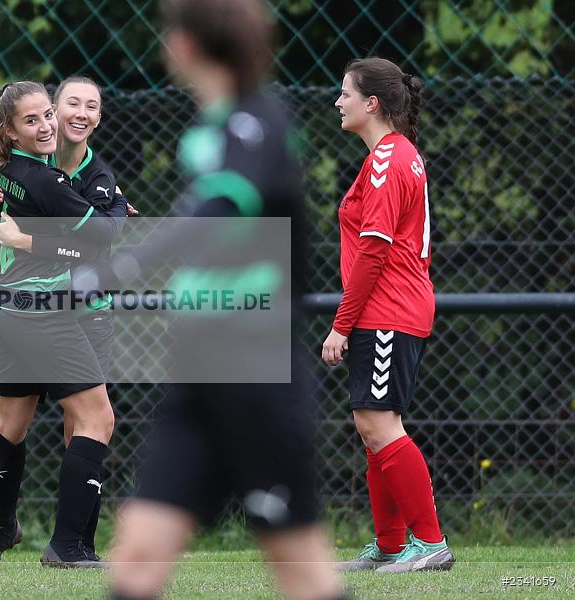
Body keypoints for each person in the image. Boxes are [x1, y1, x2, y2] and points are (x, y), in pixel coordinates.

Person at [94, 2, 347, 599]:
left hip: (256, 378)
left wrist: (124, 265)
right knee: (134, 559)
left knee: (302, 573)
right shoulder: (211, 126)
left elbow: (220, 206)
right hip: (198, 379)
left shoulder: (259, 123)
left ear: (182, 46)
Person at [0, 81, 125, 569]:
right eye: (32, 120)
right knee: (97, 419)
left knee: (8, 423)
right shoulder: (44, 179)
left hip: (6, 310)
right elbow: (95, 242)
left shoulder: (8, 170)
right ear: (11, 132)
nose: (46, 126)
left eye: (45, 116)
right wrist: (115, 207)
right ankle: (67, 547)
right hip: (43, 313)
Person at [323, 57, 454, 572]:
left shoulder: (388, 160)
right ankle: (391, 544)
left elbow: (375, 251)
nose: (338, 102)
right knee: (374, 423)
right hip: (394, 307)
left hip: (388, 309)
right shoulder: (397, 154)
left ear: (371, 103)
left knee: (379, 424)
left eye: (345, 93)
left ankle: (431, 543)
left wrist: (341, 324)